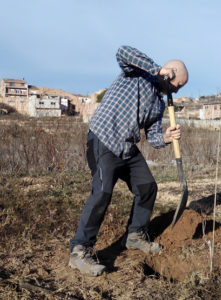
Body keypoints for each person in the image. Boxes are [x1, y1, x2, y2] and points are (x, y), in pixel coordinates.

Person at [69, 45, 188, 276]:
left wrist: (165, 137)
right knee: (102, 192)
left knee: (147, 187)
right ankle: (79, 250)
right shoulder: (136, 73)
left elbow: (152, 137)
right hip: (103, 138)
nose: (176, 89)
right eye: (178, 83)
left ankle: (134, 235)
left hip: (127, 147)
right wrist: (157, 69)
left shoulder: (158, 103)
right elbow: (122, 51)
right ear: (170, 73)